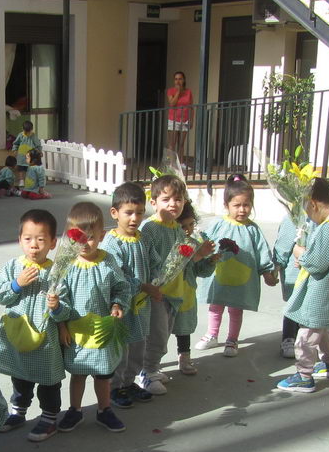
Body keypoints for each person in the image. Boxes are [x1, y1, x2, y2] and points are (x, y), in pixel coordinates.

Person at [55, 201, 132, 434]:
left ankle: (104, 409)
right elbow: (60, 297)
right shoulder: (66, 264)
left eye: (90, 237)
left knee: (102, 374)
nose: (83, 243)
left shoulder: (108, 261)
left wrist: (118, 304)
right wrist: (60, 322)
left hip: (103, 330)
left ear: (101, 235)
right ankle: (75, 410)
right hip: (76, 332)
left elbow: (122, 287)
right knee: (78, 374)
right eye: (77, 237)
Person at [0, 208, 67, 442]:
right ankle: (18, 411)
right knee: (20, 375)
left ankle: (49, 417)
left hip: (46, 337)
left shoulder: (59, 270)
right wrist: (16, 284)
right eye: (28, 239)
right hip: (18, 331)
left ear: (53, 243)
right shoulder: (12, 267)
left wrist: (57, 307)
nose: (34, 245)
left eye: (41, 239)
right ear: (20, 241)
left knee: (48, 379)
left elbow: (67, 303)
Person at [138, 174, 214, 396]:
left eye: (178, 199)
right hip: (155, 293)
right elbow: (144, 260)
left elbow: (182, 261)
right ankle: (146, 371)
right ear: (153, 203)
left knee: (163, 334)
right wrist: (149, 285)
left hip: (173, 292)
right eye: (166, 199)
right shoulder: (149, 228)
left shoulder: (177, 229)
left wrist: (201, 255)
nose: (173, 204)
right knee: (157, 335)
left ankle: (151, 367)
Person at [277, 178, 329, 393]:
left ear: (313, 204)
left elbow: (318, 263)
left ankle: (303, 375)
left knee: (307, 335)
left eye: (307, 211)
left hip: (321, 291)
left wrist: (301, 255)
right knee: (321, 329)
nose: (309, 217)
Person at [195, 176, 277, 358]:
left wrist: (268, 273)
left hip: (241, 278)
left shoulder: (253, 230)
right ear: (226, 205)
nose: (242, 210)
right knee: (215, 305)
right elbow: (204, 241)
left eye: (246, 205)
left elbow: (263, 252)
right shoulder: (218, 223)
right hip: (219, 274)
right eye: (237, 205)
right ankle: (212, 334)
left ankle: (232, 339)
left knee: (235, 308)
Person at [100, 182, 156, 410]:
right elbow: (117, 277)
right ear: (114, 213)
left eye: (140, 213)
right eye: (129, 213)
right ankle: (115, 387)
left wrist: (161, 276)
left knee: (138, 345)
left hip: (141, 305)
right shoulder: (112, 243)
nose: (135, 218)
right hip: (121, 306)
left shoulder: (142, 238)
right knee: (121, 348)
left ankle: (130, 381)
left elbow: (154, 261)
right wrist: (143, 286)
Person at [171, 201, 216, 375]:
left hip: (187, 294)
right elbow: (175, 264)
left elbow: (200, 271)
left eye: (191, 224)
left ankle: (185, 358)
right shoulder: (171, 241)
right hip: (168, 294)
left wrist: (210, 261)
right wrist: (199, 255)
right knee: (162, 330)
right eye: (183, 226)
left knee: (184, 328)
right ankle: (150, 364)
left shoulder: (194, 242)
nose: (188, 229)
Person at [272, 211, 305, 359]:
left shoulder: (323, 216)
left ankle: (304, 339)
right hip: (295, 271)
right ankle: (288, 338)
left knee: (307, 306)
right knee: (294, 305)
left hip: (313, 269)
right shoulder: (294, 216)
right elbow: (284, 244)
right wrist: (277, 265)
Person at [166, 71, 193, 158]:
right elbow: (172, 103)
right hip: (173, 119)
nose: (178, 81)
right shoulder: (171, 91)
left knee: (181, 143)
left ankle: (181, 163)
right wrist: (178, 92)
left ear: (184, 80)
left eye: (180, 79)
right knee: (172, 143)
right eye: (176, 79)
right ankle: (171, 164)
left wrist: (192, 119)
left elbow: (191, 107)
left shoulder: (188, 92)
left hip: (185, 119)